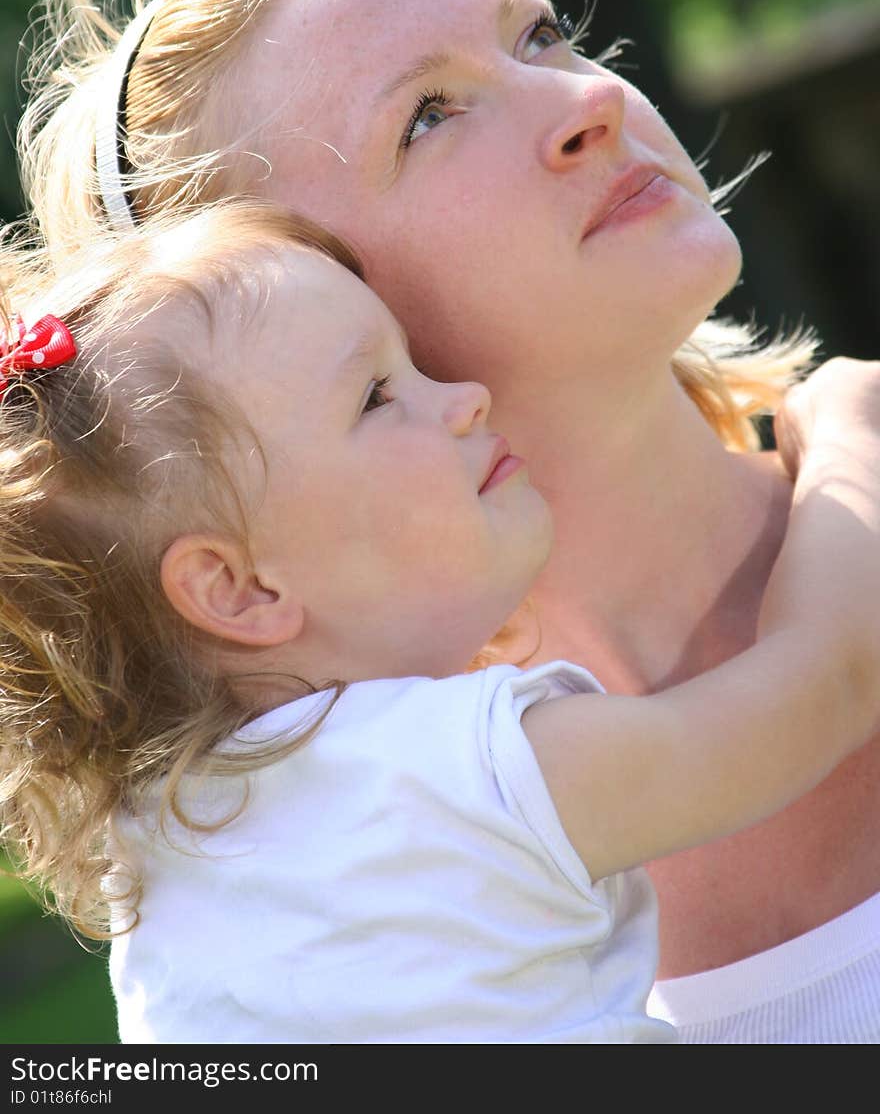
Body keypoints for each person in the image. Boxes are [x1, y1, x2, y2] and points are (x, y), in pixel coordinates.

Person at [16, 0, 880, 1041]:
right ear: (288, 310)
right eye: (426, 117)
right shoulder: (359, 895)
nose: (587, 101)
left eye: (537, 36)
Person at [0, 197, 879, 1044]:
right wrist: (844, 431)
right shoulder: (464, 774)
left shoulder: (162, 875)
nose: (463, 397)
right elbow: (825, 687)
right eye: (379, 395)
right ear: (239, 590)